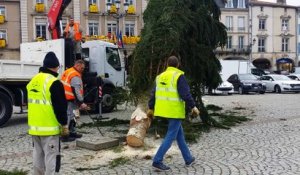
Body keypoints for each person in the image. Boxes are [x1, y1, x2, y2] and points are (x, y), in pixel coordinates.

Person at [148, 56, 200, 172]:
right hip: (174, 111)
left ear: (167, 64)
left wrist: (150, 108)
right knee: (171, 136)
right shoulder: (178, 76)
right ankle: (157, 160)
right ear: (177, 65)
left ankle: (188, 158)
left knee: (179, 135)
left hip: (163, 110)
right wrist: (193, 106)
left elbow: (153, 94)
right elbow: (185, 94)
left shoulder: (160, 76)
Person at [27, 52, 69, 174]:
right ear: (56, 67)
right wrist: (64, 124)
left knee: (37, 156)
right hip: (49, 129)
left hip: (34, 128)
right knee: (51, 157)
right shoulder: (54, 82)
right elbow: (60, 107)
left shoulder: (33, 80)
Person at [61, 59, 89, 142]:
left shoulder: (68, 71)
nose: (83, 70)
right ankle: (65, 136)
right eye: (82, 68)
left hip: (66, 98)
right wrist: (81, 102)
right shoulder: (75, 75)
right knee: (69, 116)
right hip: (70, 99)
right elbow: (76, 90)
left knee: (73, 116)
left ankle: (72, 132)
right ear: (77, 65)